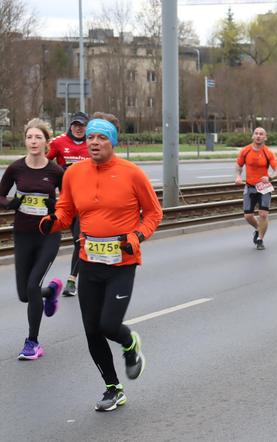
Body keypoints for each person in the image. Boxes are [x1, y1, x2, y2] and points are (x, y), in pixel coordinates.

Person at [39, 113, 163, 412]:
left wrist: (137, 236)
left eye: (102, 137)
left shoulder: (131, 173)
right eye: (91, 137)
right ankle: (113, 388)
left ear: (113, 142)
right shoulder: (74, 174)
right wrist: (51, 222)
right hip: (89, 261)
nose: (94, 142)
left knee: (109, 324)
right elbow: (67, 211)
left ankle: (130, 343)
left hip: (122, 261)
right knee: (92, 330)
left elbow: (154, 213)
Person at [0, 119, 64, 360]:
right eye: (29, 137)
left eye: (38, 137)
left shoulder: (56, 171)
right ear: (25, 141)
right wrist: (10, 203)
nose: (33, 141)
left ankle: (32, 342)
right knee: (25, 295)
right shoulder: (16, 169)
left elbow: (70, 202)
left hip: (48, 235)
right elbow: (0, 195)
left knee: (32, 285)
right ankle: (51, 291)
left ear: (47, 141)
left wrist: (54, 205)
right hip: (23, 234)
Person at [47, 111, 90, 297]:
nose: (79, 129)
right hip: (66, 200)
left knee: (79, 240)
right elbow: (42, 163)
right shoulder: (59, 142)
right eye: (75, 125)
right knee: (73, 239)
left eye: (82, 125)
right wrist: (59, 172)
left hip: (86, 200)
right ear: (70, 126)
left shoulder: (93, 142)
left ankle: (72, 281)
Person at [234, 127, 277, 250]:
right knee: (248, 216)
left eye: (261, 134)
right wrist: (238, 176)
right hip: (249, 186)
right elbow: (239, 165)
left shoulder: (268, 152)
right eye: (256, 133)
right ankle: (258, 228)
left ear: (265, 137)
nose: (258, 136)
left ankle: (260, 239)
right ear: (252, 136)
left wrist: (270, 177)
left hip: (264, 187)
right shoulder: (245, 151)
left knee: (263, 214)